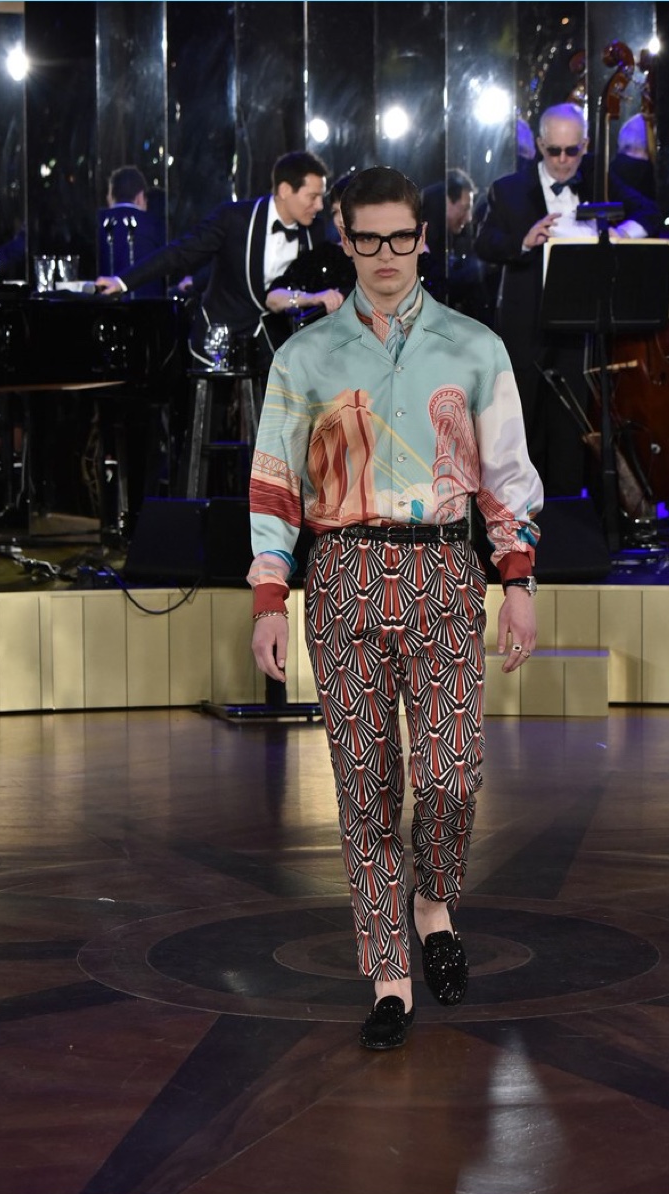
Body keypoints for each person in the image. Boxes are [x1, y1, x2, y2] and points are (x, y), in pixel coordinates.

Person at [247, 165, 543, 1050]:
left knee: (452, 777)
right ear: (343, 239)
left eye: (400, 237)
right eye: (367, 238)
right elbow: (274, 488)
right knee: (365, 787)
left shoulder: (474, 347)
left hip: (445, 572)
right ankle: (389, 978)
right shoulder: (304, 358)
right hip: (342, 576)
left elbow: (507, 476)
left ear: (423, 239)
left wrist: (518, 581)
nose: (385, 255)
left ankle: (433, 900)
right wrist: (269, 597)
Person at [474, 102, 662, 497]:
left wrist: (621, 234)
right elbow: (484, 243)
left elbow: (649, 211)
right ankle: (518, 510)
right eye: (554, 151)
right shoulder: (508, 189)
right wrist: (524, 241)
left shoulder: (598, 180)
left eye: (572, 151)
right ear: (540, 145)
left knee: (571, 425)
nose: (563, 160)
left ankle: (567, 510)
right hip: (526, 323)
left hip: (578, 323)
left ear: (585, 146)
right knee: (523, 420)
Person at [95, 150, 330, 371]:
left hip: (272, 345)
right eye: (313, 197)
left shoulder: (315, 232)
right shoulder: (234, 218)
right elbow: (181, 252)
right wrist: (122, 281)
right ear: (285, 190)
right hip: (218, 339)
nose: (319, 206)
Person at [264, 173, 356, 326]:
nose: (340, 219)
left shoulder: (388, 255)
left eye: (347, 210)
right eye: (335, 212)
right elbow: (273, 298)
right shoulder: (326, 255)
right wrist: (314, 298)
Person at [419, 169, 493, 323]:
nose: (469, 217)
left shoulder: (449, 239)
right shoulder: (422, 240)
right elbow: (439, 285)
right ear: (447, 202)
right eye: (465, 208)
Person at [97, 166, 166, 298]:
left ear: (110, 197)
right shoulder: (157, 226)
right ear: (140, 197)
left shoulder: (97, 224)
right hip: (152, 308)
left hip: (102, 308)